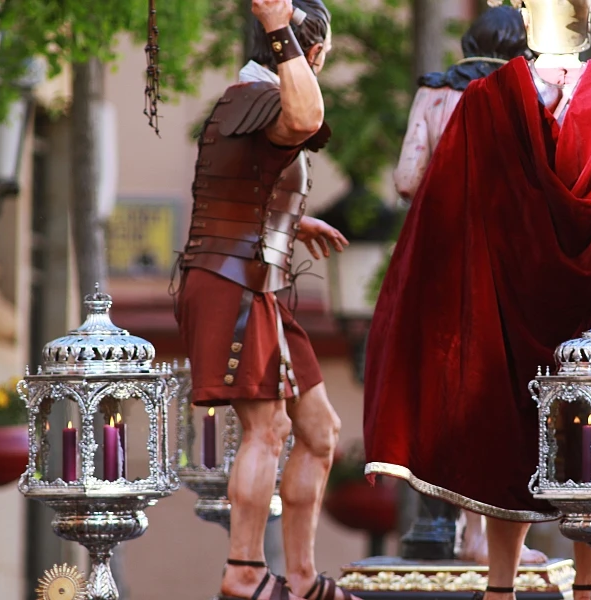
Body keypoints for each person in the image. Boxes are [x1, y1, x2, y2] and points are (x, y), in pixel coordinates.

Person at [364, 0, 591, 598]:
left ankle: (503, 587)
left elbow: (446, 208)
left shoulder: (485, 103)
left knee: (510, 437)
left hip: (506, 306)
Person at [174, 1, 358, 599]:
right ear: (318, 51)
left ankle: (302, 579)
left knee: (320, 429)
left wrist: (291, 223)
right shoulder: (260, 96)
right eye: (323, 52)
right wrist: (285, 32)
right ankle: (244, 570)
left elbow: (239, 185)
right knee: (268, 427)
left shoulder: (246, 100)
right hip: (235, 284)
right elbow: (306, 116)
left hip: (258, 284)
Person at [392, 5, 546, 567]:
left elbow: (407, 178)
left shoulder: (433, 92)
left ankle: (436, 526)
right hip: (503, 266)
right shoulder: (523, 94)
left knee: (441, 391)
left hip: (439, 261)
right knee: (497, 396)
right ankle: (487, 540)